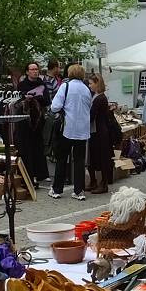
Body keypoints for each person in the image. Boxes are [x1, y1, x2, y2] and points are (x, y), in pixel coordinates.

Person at [49, 64, 92, 200]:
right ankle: (79, 191)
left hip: (67, 128)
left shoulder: (65, 86)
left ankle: (57, 189)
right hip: (83, 130)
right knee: (79, 160)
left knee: (62, 159)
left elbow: (55, 106)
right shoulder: (86, 89)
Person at [15, 61, 51, 188]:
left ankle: (41, 172)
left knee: (38, 145)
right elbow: (19, 100)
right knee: (28, 146)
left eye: (37, 69)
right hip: (26, 121)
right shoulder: (22, 85)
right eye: (32, 69)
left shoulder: (42, 84)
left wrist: (37, 99)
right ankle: (29, 173)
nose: (35, 71)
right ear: (27, 72)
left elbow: (47, 100)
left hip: (39, 120)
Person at [86, 74, 115, 194]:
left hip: (99, 132)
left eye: (91, 83)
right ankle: (94, 181)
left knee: (101, 158)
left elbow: (92, 115)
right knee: (93, 157)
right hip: (97, 130)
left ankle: (103, 184)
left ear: (97, 83)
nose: (89, 85)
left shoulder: (99, 98)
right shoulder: (97, 96)